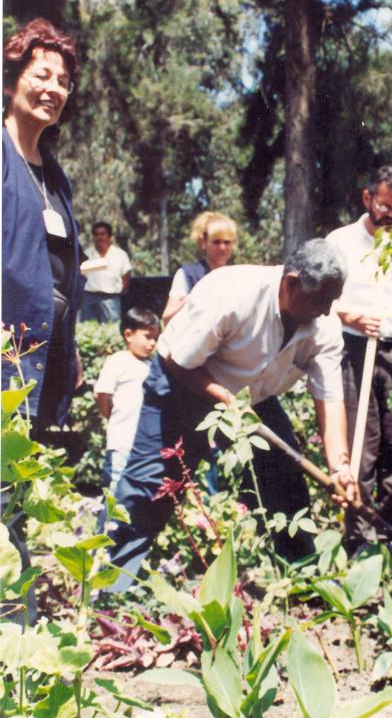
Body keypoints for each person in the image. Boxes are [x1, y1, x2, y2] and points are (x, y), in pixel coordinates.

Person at [107, 239, 357, 588]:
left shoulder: (323, 323)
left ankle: (300, 583)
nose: (328, 311)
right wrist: (228, 401)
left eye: (333, 300)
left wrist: (340, 468)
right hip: (181, 384)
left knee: (284, 478)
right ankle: (107, 586)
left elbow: (329, 398)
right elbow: (178, 362)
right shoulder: (232, 293)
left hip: (249, 397)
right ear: (291, 283)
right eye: (320, 300)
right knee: (151, 486)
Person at [326, 166, 392, 550]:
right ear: (367, 199)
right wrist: (349, 315)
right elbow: (320, 299)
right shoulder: (340, 242)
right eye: (385, 207)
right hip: (354, 351)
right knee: (359, 449)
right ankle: (360, 542)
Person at [2, 17, 84, 432]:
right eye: (42, 75)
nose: (54, 88)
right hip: (6, 354)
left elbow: (63, 272)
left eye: (64, 81)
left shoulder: (56, 177)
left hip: (46, 357)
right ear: (10, 83)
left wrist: (70, 349)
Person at [94, 307, 160, 493]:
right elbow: (101, 393)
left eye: (155, 338)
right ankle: (108, 522)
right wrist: (112, 416)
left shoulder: (151, 365)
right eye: (147, 337)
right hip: (121, 441)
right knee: (115, 491)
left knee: (135, 493)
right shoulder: (118, 361)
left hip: (143, 446)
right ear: (129, 335)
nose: (152, 343)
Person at [162, 211, 238, 324]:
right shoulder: (187, 274)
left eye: (227, 242)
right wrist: (193, 299)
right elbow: (167, 318)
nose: (222, 247)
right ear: (203, 242)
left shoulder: (237, 276)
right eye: (216, 242)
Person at [80, 222, 132, 323]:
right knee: (88, 328)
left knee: (112, 327)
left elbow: (126, 275)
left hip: (111, 299)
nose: (99, 237)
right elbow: (79, 276)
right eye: (96, 234)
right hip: (89, 298)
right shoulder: (86, 254)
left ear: (110, 237)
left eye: (103, 234)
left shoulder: (120, 254)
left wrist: (120, 292)